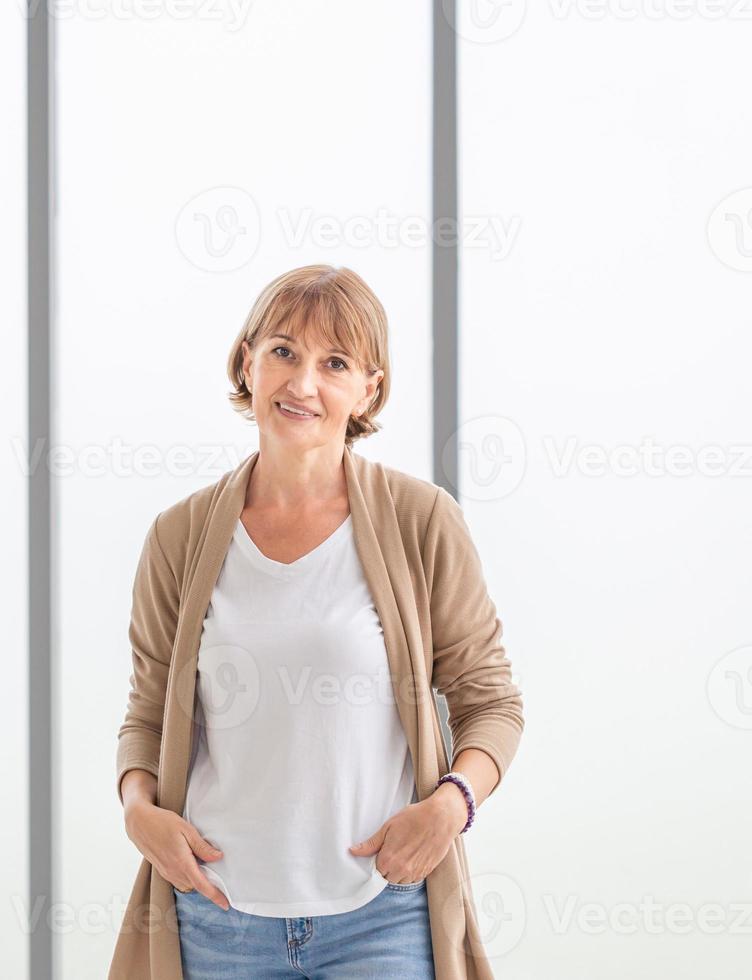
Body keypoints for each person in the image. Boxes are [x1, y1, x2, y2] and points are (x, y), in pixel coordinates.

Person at [110, 264, 524, 979]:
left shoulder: (421, 521)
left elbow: (491, 701)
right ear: (249, 361)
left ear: (371, 387)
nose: (302, 384)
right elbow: (148, 713)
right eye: (282, 352)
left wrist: (451, 806)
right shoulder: (179, 536)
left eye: (334, 363)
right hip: (215, 917)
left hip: (384, 917)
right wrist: (137, 809)